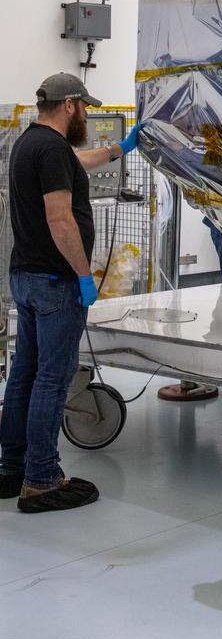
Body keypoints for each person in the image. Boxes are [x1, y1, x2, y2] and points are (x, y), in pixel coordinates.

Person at [0, 75, 142, 512]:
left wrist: (119, 150)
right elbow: (61, 220)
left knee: (24, 374)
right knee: (51, 379)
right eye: (86, 108)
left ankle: (11, 468)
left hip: (24, 277)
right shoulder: (52, 149)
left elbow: (73, 164)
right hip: (55, 281)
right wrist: (83, 274)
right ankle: (42, 480)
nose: (88, 116)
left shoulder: (30, 144)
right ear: (70, 105)